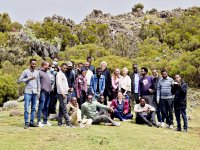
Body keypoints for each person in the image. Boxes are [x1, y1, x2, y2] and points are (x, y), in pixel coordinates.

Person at [18, 59, 40, 129]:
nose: (34, 65)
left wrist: (38, 92)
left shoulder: (37, 72)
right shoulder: (25, 71)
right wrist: (28, 78)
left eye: (35, 64)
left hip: (35, 92)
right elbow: (19, 80)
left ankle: (32, 122)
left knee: (33, 108)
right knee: (26, 108)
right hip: (28, 92)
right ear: (30, 64)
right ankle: (26, 123)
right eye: (33, 64)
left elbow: (38, 82)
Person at [56, 63, 73, 127]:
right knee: (65, 109)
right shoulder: (59, 74)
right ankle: (68, 123)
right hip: (61, 94)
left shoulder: (63, 74)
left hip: (65, 92)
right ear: (61, 67)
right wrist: (62, 93)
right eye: (64, 68)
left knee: (61, 109)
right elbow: (59, 84)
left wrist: (69, 89)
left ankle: (59, 122)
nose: (65, 69)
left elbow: (64, 84)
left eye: (66, 68)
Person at [37, 61, 53, 127]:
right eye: (47, 66)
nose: (48, 67)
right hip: (43, 92)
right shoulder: (39, 72)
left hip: (48, 92)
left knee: (46, 107)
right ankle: (39, 121)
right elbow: (37, 82)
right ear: (43, 65)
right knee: (41, 106)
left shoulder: (47, 73)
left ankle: (45, 121)